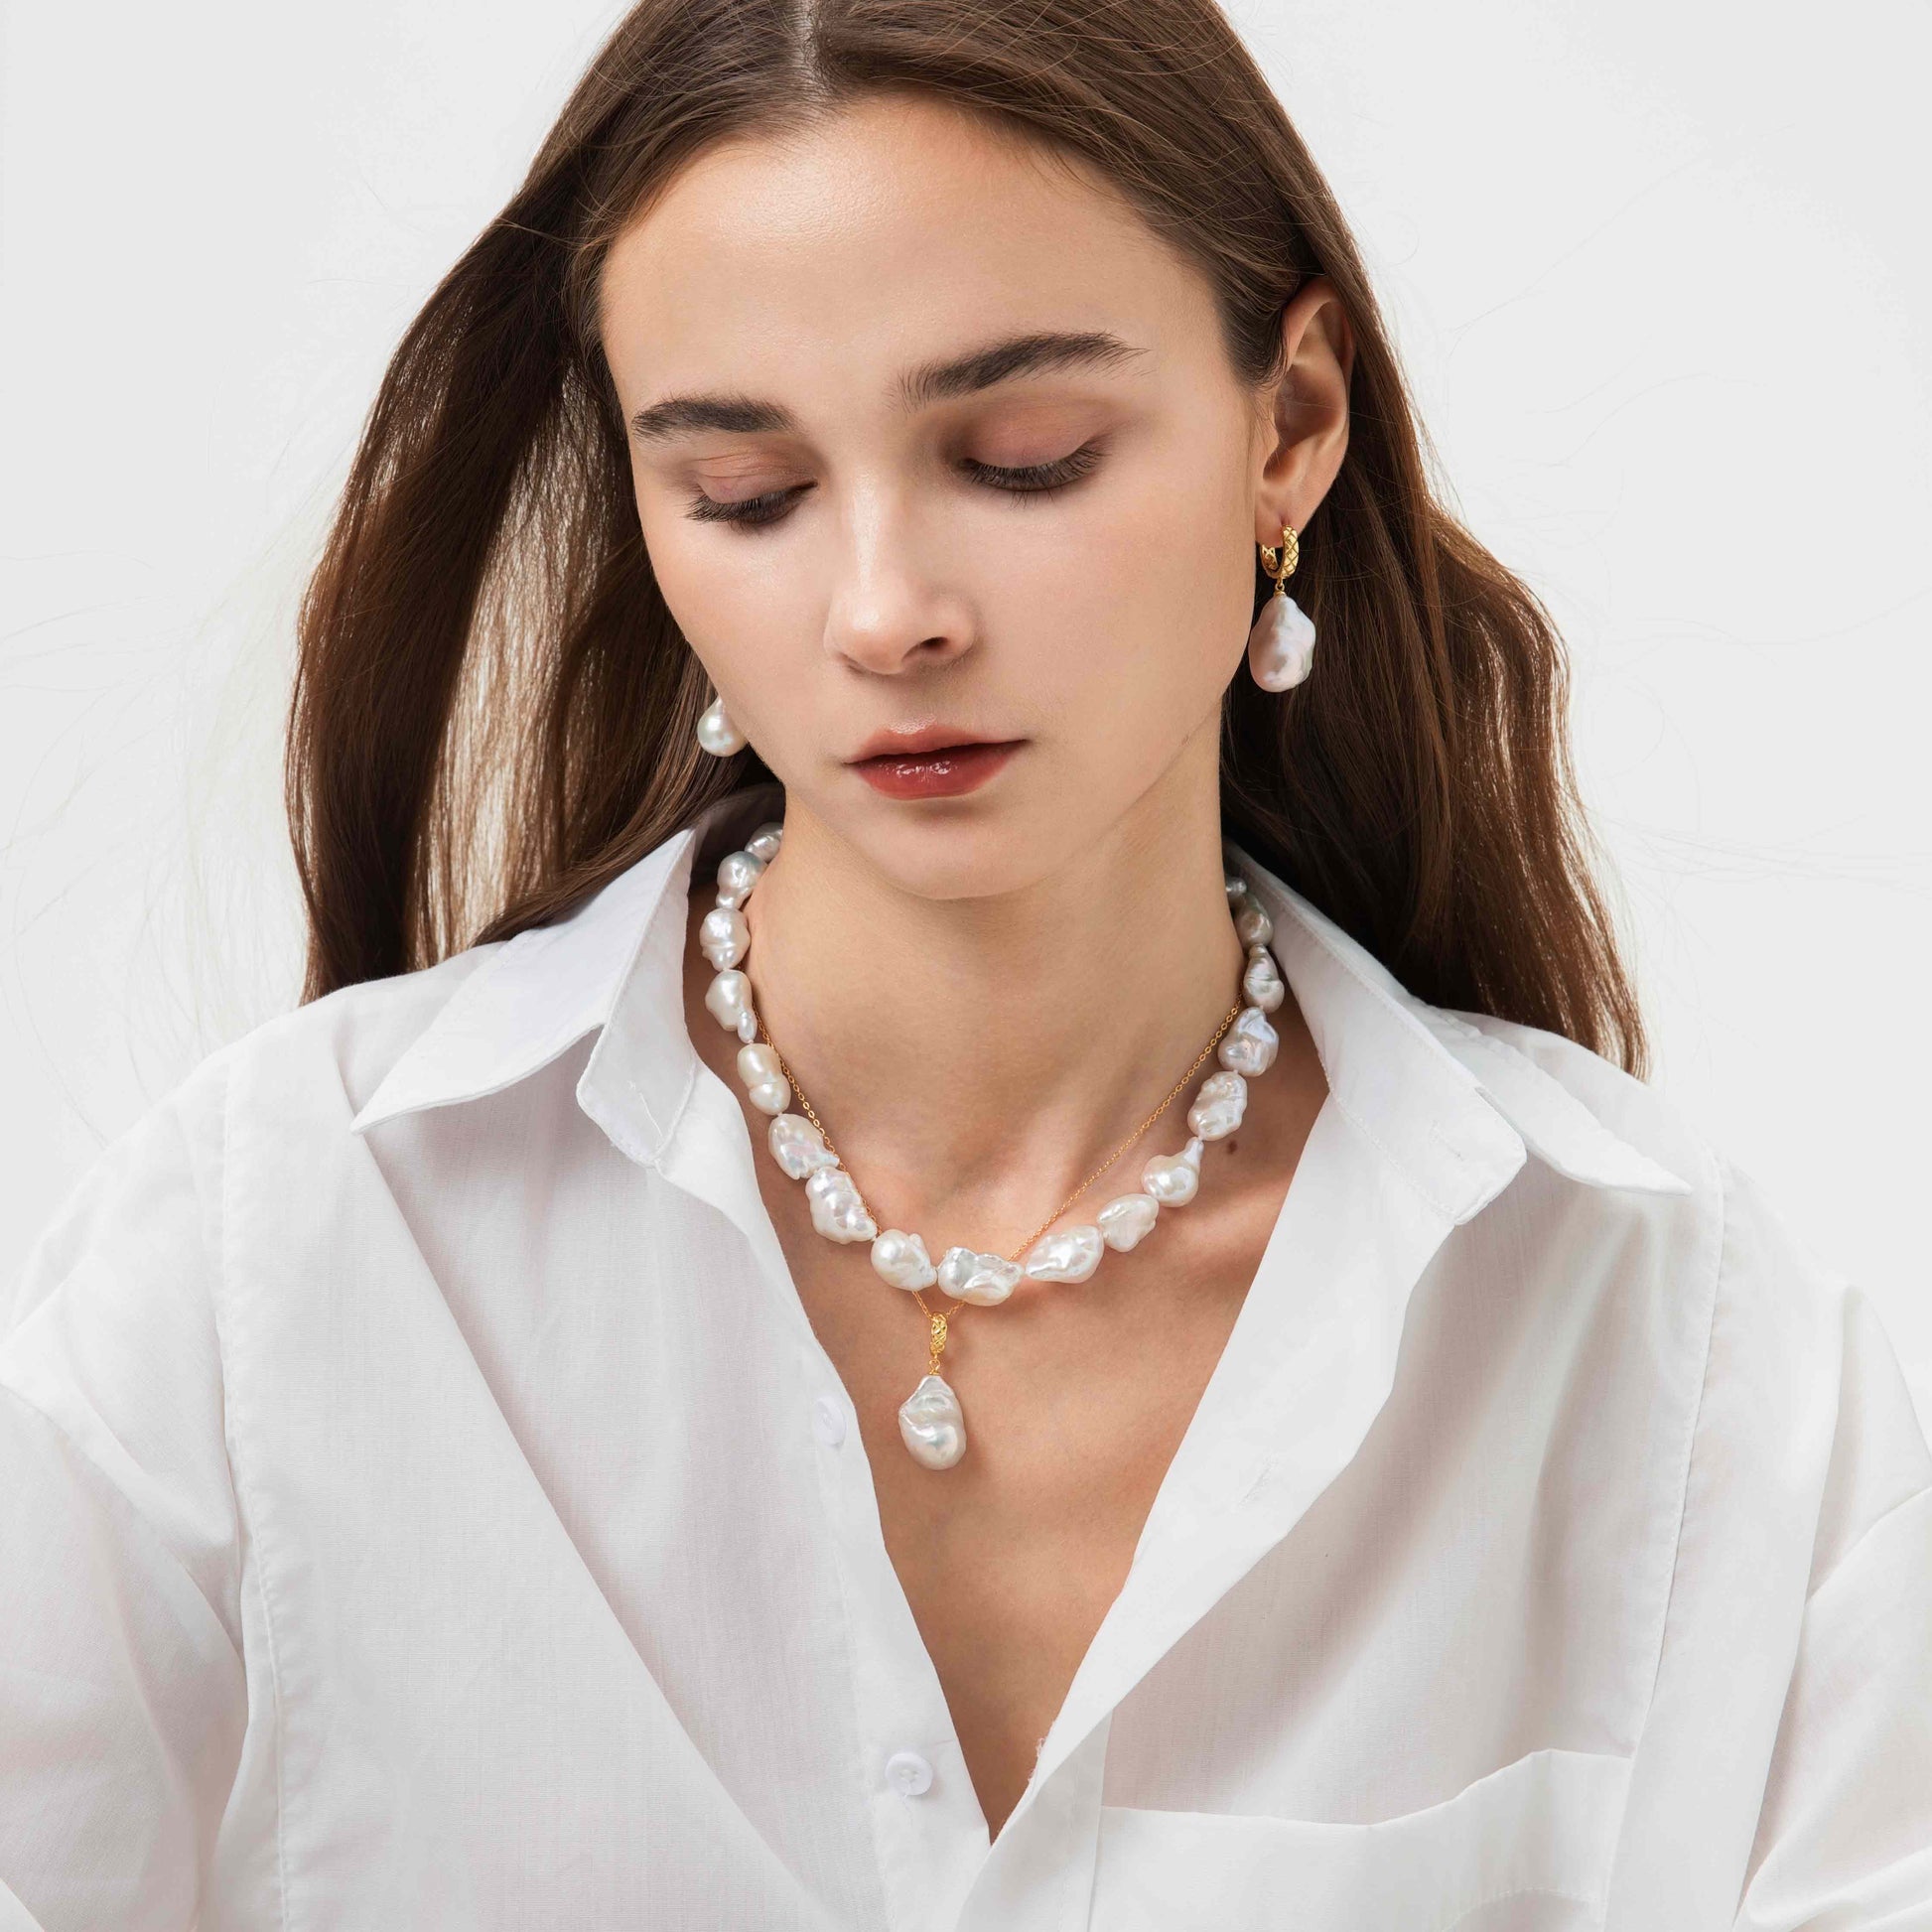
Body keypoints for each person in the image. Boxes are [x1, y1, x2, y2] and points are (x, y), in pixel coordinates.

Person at [4, 1, 1928, 1926]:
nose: (883, 612)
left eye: (1022, 457)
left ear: (1292, 424)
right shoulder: (267, 1274)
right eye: (743, 492)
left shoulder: (1697, 1370)